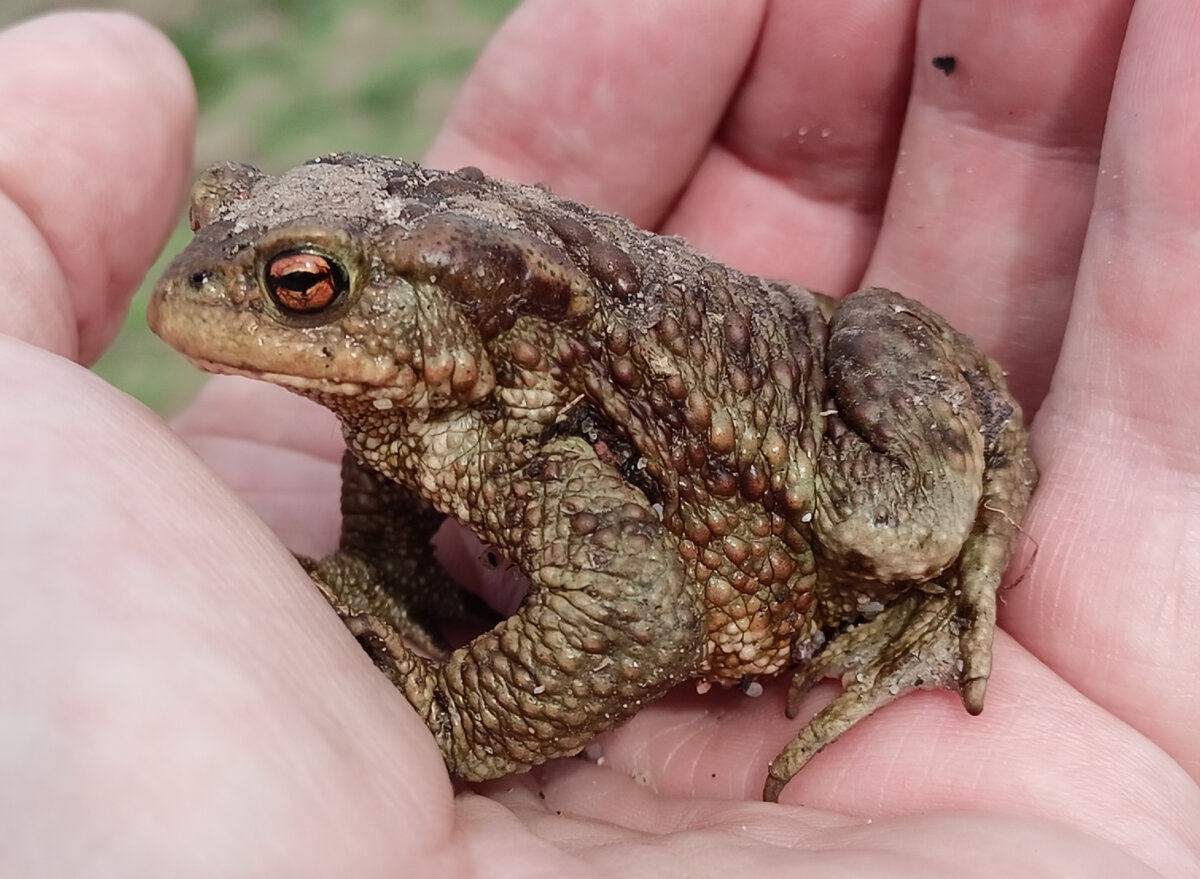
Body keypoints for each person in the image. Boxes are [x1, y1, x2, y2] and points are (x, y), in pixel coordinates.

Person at [2, 4, 1196, 876]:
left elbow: (642, 611)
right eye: (232, 229)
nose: (215, 288)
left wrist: (451, 719)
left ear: (441, 320)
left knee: (910, 523)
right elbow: (398, 431)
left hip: (783, 469)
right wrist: (384, 564)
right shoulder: (451, 400)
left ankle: (962, 578)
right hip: (612, 348)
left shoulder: (526, 427)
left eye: (301, 284)